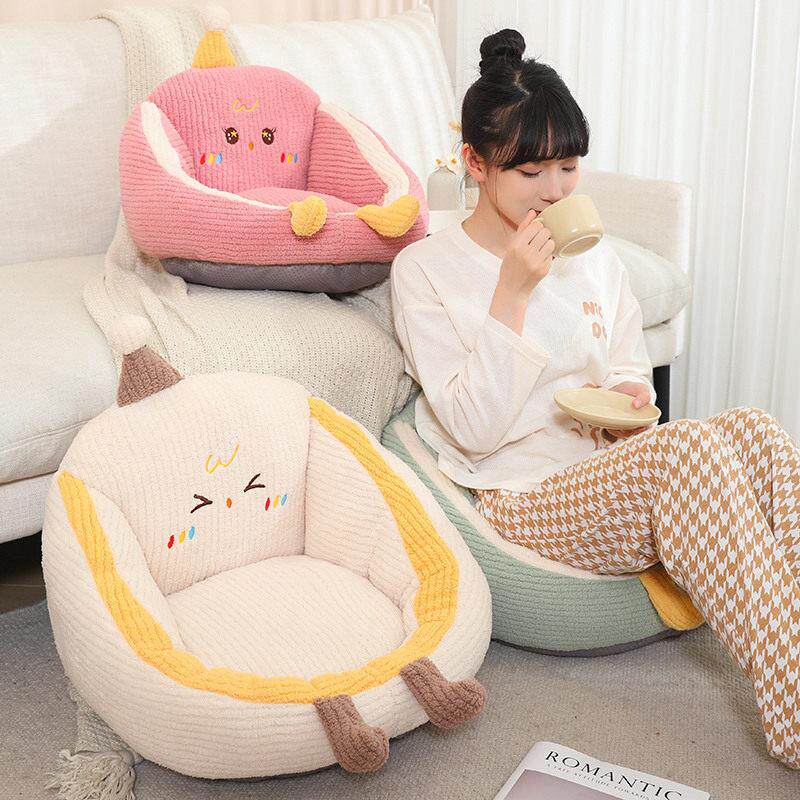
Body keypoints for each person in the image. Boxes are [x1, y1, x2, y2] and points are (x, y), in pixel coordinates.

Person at [389, 27, 800, 769]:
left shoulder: (594, 257)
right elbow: (474, 429)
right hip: (520, 495)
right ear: (476, 164)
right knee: (691, 448)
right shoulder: (426, 270)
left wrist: (628, 394)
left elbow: (625, 361)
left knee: (757, 431)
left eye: (569, 167)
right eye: (530, 171)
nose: (555, 191)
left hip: (602, 473)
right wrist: (512, 293)